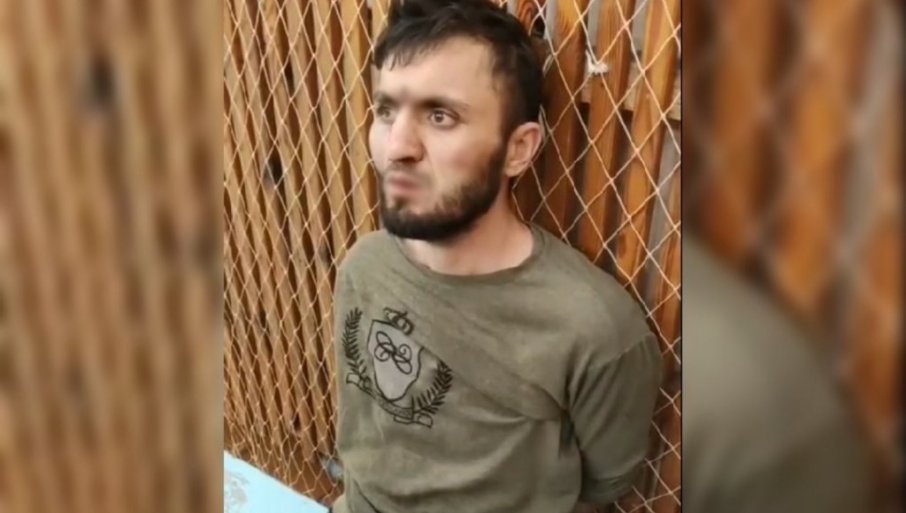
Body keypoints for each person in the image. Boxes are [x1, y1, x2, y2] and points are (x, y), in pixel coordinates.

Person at [329, 1, 662, 512]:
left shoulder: (594, 331)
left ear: (518, 149)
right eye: (387, 111)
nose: (396, 147)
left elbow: (604, 485)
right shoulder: (364, 268)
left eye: (440, 116)